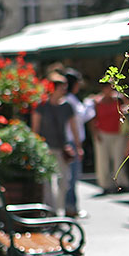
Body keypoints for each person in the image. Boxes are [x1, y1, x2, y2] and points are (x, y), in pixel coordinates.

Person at [32, 70, 82, 215]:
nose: (65, 90)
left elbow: (74, 128)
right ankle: (51, 211)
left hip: (62, 148)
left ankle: (59, 211)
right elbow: (35, 129)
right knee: (47, 183)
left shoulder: (67, 106)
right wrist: (37, 149)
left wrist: (78, 147)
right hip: (46, 148)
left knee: (64, 181)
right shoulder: (41, 106)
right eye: (62, 87)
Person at [89, 81, 129, 193]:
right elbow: (92, 119)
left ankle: (121, 183)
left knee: (119, 159)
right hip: (102, 133)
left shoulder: (119, 99)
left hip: (118, 134)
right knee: (102, 161)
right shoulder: (96, 101)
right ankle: (105, 185)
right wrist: (95, 134)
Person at [63, 68, 93, 218]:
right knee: (72, 177)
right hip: (72, 142)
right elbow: (79, 119)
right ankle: (71, 207)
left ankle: (71, 207)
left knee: (71, 177)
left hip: (70, 141)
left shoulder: (69, 100)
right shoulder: (70, 101)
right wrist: (89, 104)